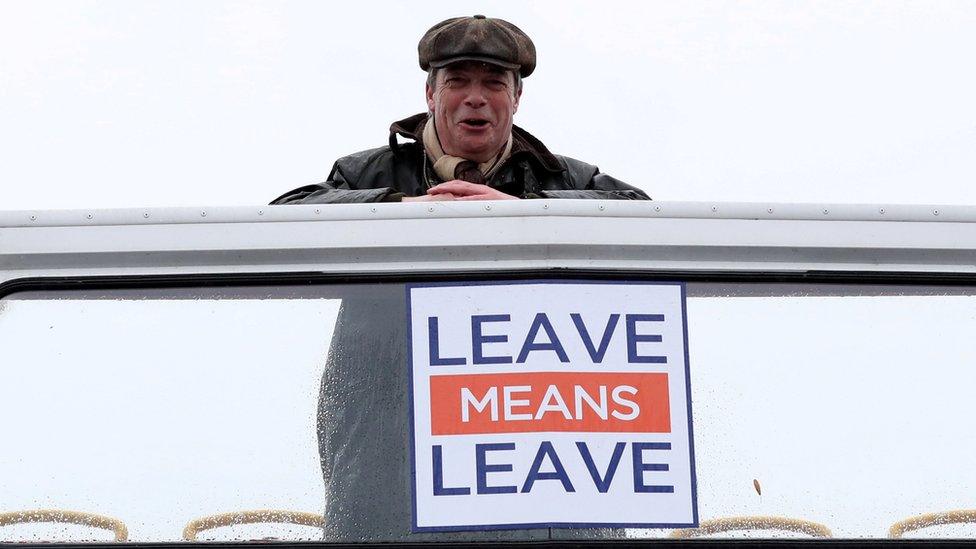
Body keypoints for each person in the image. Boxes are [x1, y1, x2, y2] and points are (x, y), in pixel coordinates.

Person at [272, 15, 649, 205]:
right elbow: (285, 212)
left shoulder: (563, 178)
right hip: (390, 354)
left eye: (494, 83)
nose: (475, 97)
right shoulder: (367, 174)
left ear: (517, 98)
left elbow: (643, 211)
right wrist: (397, 206)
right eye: (458, 81)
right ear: (430, 94)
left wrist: (527, 209)